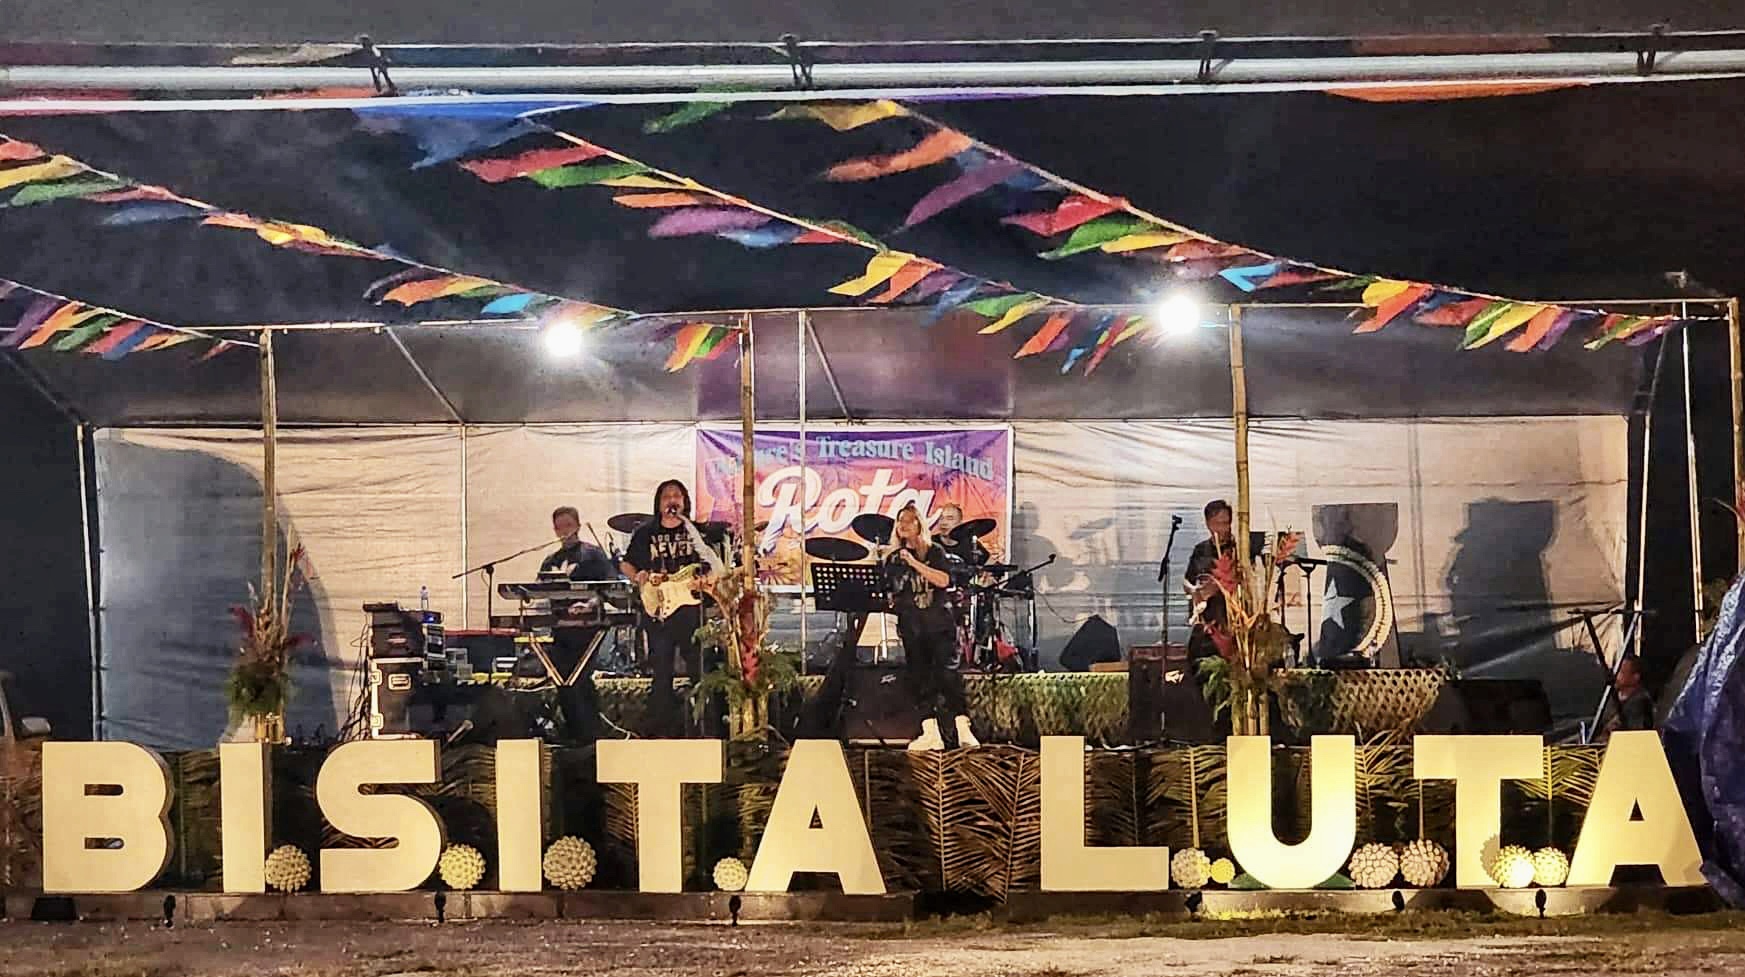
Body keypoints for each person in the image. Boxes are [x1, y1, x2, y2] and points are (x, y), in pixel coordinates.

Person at [620, 479, 723, 737]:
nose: (672, 500)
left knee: (698, 668)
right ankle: (660, 728)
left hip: (690, 609)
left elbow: (714, 566)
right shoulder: (645, 533)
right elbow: (626, 564)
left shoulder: (696, 532)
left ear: (685, 501)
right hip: (659, 610)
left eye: (677, 496)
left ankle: (706, 727)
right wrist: (638, 576)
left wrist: (705, 581)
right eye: (667, 496)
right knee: (661, 670)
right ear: (659, 503)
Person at [885, 503, 980, 751]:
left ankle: (962, 728)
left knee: (948, 676)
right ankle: (930, 731)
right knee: (919, 678)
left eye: (908, 521)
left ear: (919, 525)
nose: (903, 525)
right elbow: (892, 592)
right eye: (899, 521)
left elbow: (943, 580)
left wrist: (914, 562)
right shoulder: (893, 559)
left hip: (939, 623)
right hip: (912, 625)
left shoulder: (934, 551)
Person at [537, 506, 619, 743]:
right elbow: (537, 590)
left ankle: (590, 733)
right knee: (563, 679)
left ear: (578, 526)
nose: (564, 531)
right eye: (559, 527)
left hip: (588, 629)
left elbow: (608, 587)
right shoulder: (551, 561)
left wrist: (591, 603)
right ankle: (573, 732)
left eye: (568, 525)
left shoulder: (592, 555)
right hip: (561, 629)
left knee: (580, 678)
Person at [1183, 499, 1237, 661]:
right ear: (1208, 524)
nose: (1222, 529)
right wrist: (1197, 591)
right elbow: (1187, 582)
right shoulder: (1201, 550)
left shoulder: (1238, 549)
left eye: (1226, 523)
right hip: (1208, 618)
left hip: (1232, 620)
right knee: (1196, 659)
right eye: (1217, 524)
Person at [1603, 654, 1656, 737]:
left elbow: (1636, 734)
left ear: (1635, 677)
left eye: (1620, 672)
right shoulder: (1613, 696)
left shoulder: (1640, 702)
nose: (1615, 676)